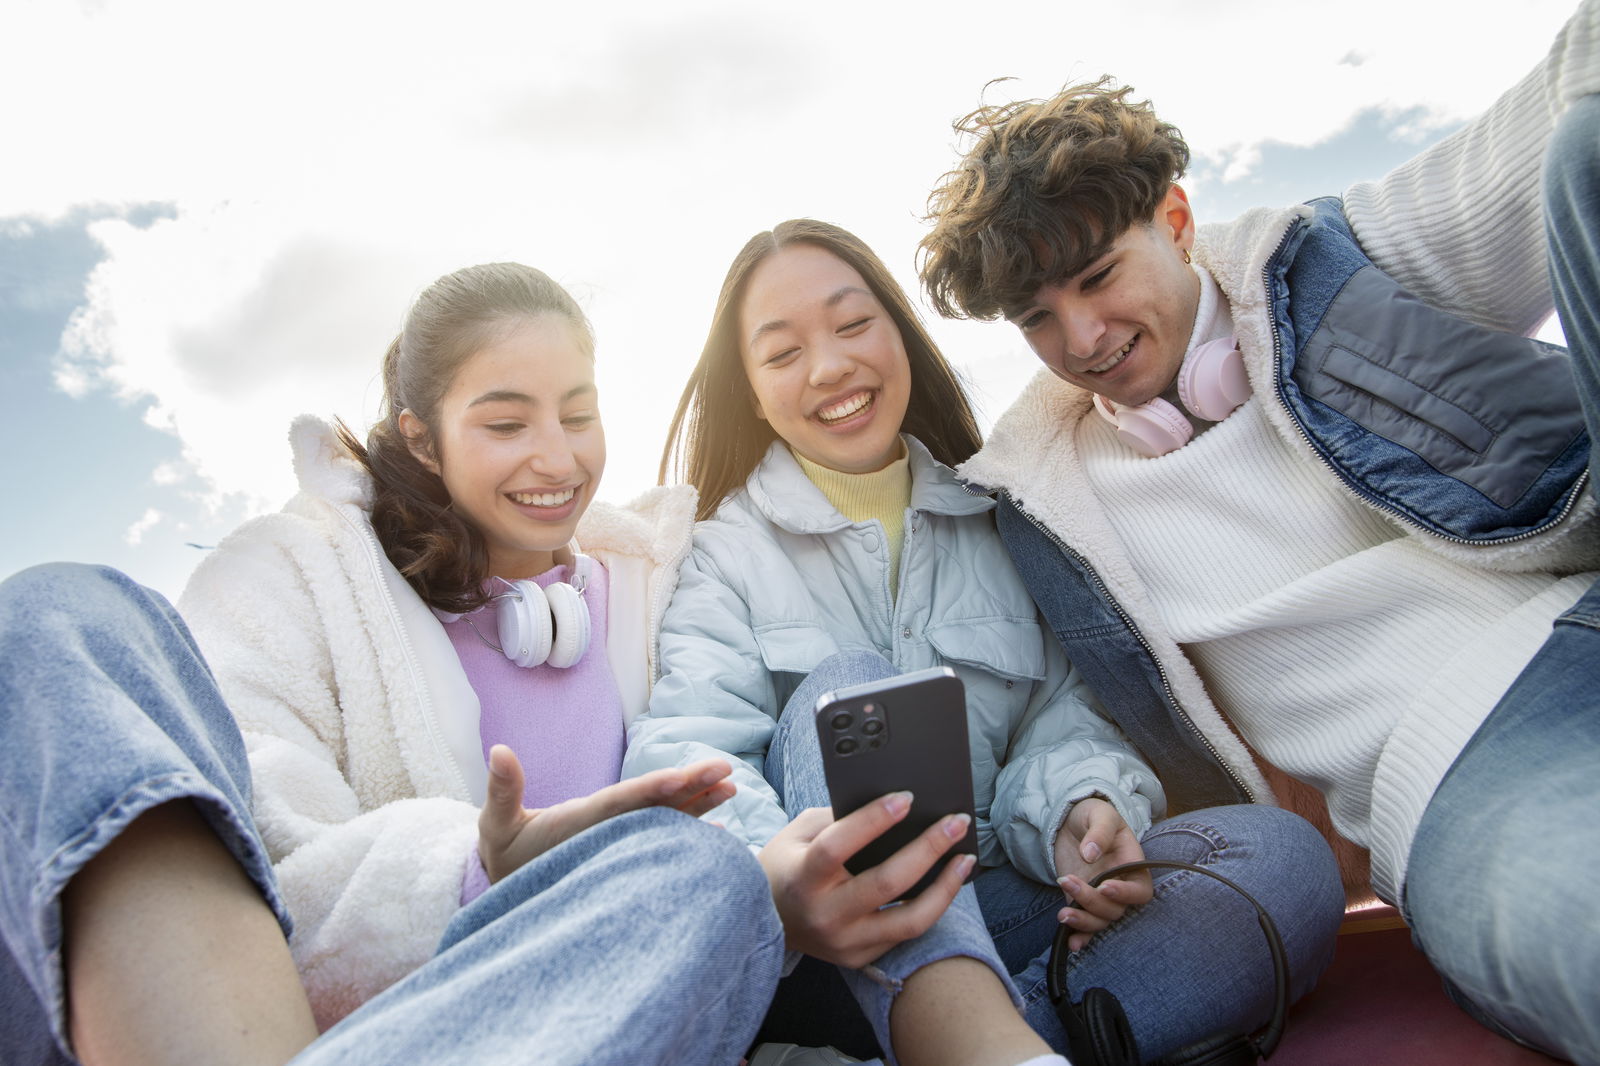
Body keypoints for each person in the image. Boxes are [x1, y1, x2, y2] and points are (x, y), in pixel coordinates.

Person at [917, 3, 1600, 1061]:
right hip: (1470, 766)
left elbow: (1563, 98)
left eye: (1098, 277)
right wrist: (1080, 807)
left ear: (1178, 220)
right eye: (1038, 318)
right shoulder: (1047, 502)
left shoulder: (1325, 267)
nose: (1082, 337)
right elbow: (1063, 715)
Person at [0, 262, 786, 1066]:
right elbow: (262, 850)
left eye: (578, 415)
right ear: (421, 438)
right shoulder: (291, 578)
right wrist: (473, 873)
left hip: (618, 999)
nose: (558, 459)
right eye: (506, 425)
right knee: (59, 608)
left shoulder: (663, 581)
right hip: (337, 1022)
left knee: (703, 874)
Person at [625, 219, 1343, 1066]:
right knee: (855, 692)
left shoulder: (1001, 513)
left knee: (1279, 860)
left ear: (899, 335)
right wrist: (777, 881)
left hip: (1001, 903)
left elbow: (1059, 717)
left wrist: (1080, 812)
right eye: (783, 353)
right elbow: (690, 753)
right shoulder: (722, 556)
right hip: (826, 949)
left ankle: (984, 1043)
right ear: (750, 391)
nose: (829, 367)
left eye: (853, 325)